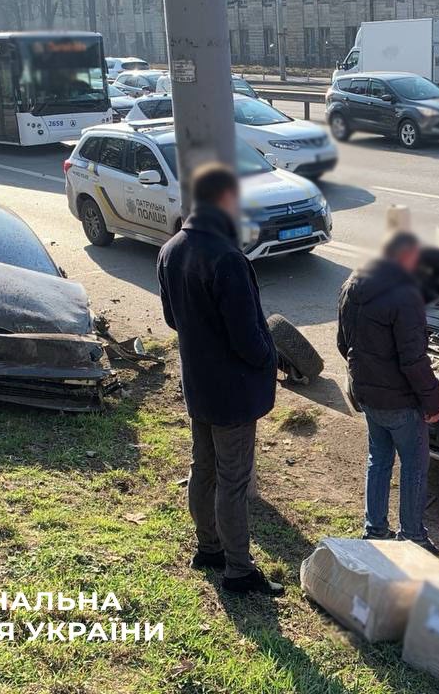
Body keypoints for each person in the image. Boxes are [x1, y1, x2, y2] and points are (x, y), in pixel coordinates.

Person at [157, 162, 283, 597]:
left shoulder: (171, 249)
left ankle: (208, 548)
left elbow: (172, 318)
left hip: (199, 384)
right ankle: (238, 570)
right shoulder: (227, 258)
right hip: (233, 393)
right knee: (233, 480)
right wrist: (271, 358)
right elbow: (248, 338)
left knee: (203, 468)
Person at [337, 231, 439, 553]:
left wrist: (368, 376)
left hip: (369, 396)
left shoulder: (352, 284)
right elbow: (412, 358)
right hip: (401, 401)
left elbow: (343, 344)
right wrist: (433, 400)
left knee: (378, 460)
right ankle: (412, 535)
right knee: (413, 466)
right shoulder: (404, 294)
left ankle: (375, 530)